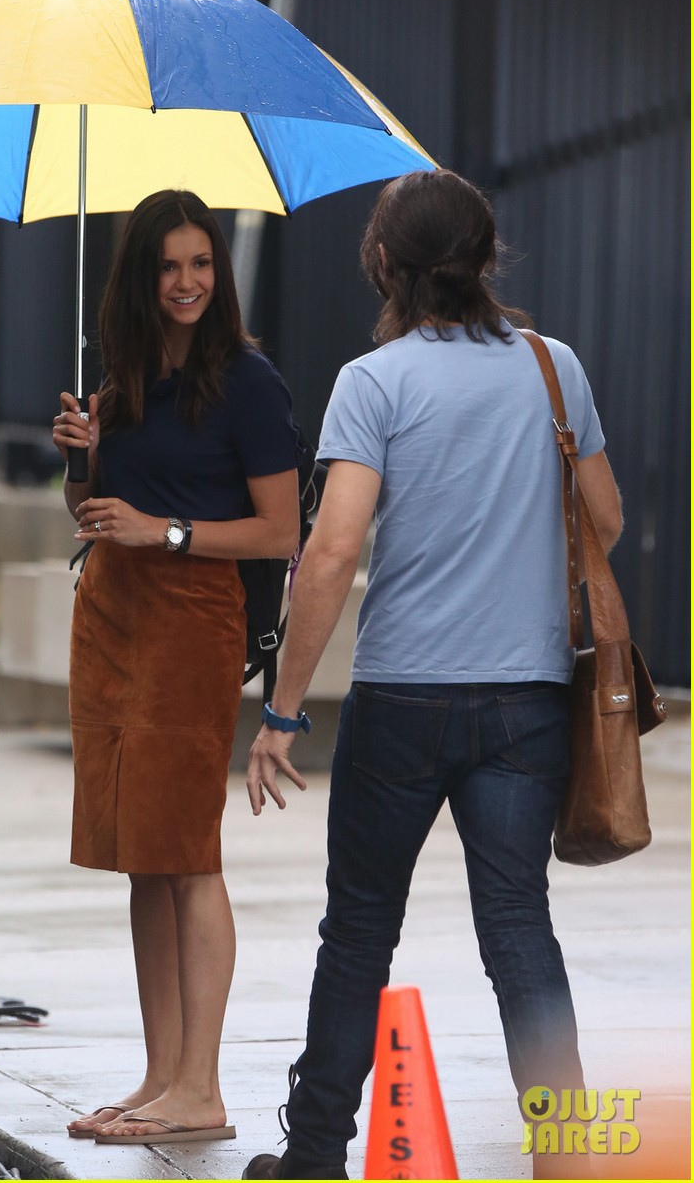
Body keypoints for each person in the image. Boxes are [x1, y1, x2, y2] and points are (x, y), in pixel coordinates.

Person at [242, 169, 624, 1180]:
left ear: (383, 263)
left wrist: (282, 708)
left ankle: (317, 1152)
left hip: (404, 698)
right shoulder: (555, 369)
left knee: (360, 931)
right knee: (518, 928)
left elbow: (330, 553)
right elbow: (609, 520)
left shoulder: (376, 382)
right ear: (489, 257)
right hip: (526, 700)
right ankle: (571, 1154)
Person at [51, 190, 300, 1144]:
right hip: (109, 616)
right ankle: (161, 1078)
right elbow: (92, 516)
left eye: (201, 264)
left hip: (194, 619)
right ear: (140, 278)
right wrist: (81, 460)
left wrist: (170, 531)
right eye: (169, 266)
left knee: (186, 856)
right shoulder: (120, 378)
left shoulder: (246, 379)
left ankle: (202, 1088)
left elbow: (279, 530)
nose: (188, 282)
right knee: (139, 860)